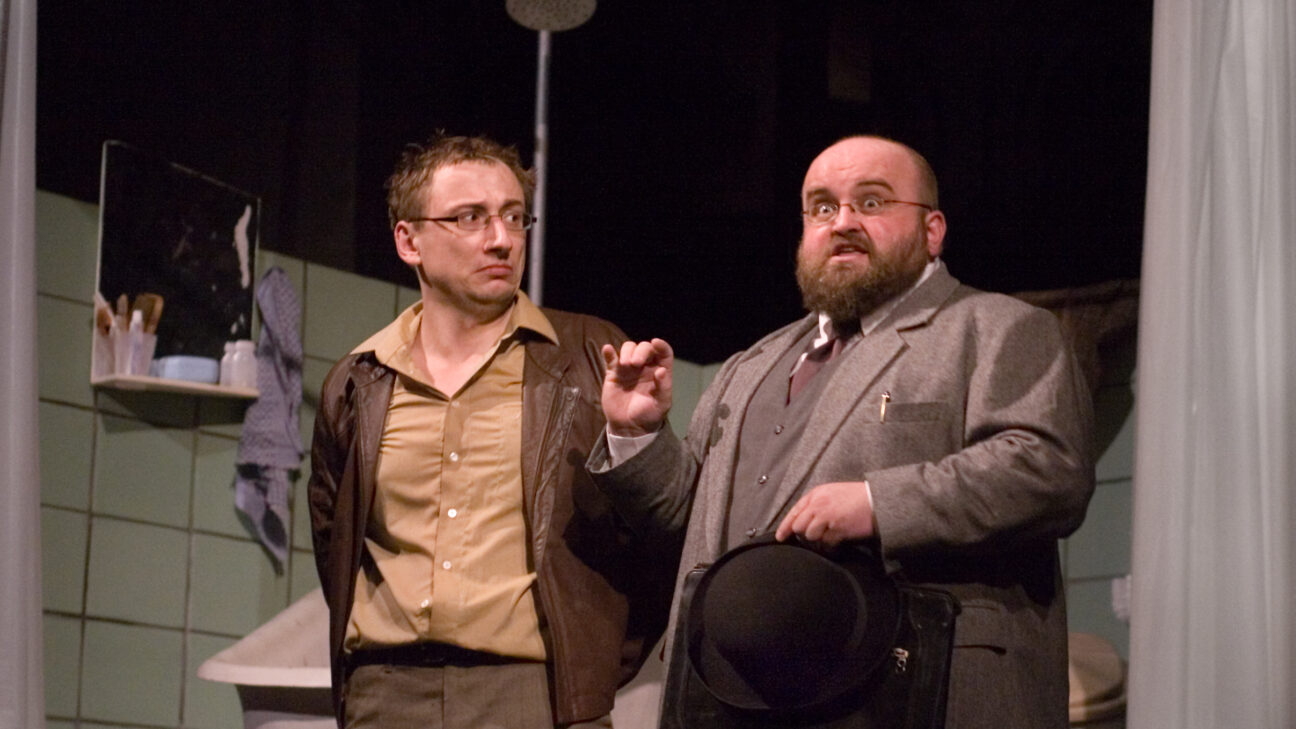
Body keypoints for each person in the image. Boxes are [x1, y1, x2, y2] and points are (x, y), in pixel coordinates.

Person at [590, 135, 1095, 729]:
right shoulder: (750, 365)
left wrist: (879, 503)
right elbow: (684, 524)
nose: (844, 222)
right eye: (823, 207)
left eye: (872, 202)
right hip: (732, 698)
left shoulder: (996, 329)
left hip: (911, 692)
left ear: (932, 231)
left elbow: (1048, 470)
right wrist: (638, 434)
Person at [309, 133, 672, 729]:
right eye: (470, 218)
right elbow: (336, 543)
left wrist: (592, 668)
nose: (501, 239)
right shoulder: (358, 382)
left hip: (533, 695)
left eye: (513, 216)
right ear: (408, 241)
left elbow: (660, 538)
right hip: (385, 694)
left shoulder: (589, 357)